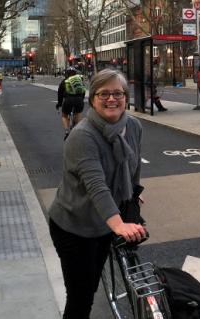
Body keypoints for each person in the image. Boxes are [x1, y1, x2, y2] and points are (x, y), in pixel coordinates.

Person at [48, 69, 147, 319]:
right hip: (74, 225)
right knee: (81, 297)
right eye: (104, 93)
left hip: (103, 223)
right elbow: (96, 186)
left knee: (91, 282)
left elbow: (133, 168)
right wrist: (119, 225)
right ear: (92, 98)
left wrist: (133, 194)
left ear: (126, 97)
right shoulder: (82, 136)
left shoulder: (133, 126)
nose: (111, 99)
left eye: (118, 93)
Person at [57, 68, 86, 140]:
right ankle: (78, 130)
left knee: (64, 115)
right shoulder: (79, 80)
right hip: (79, 100)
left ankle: (67, 131)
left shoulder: (64, 81)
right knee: (77, 113)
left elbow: (60, 94)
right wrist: (81, 100)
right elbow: (83, 91)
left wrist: (59, 104)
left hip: (68, 100)